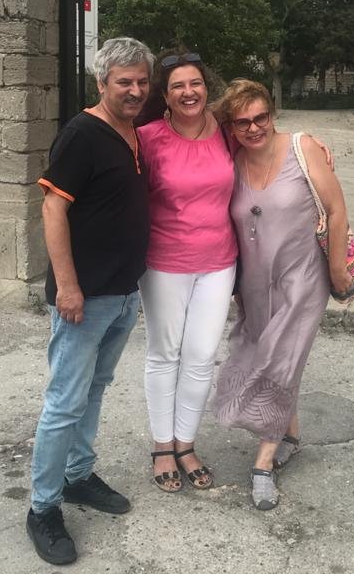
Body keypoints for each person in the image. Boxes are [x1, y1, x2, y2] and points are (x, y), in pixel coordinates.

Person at [27, 37, 154, 566]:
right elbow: (53, 209)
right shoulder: (82, 134)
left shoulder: (133, 130)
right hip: (86, 296)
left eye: (142, 81)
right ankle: (42, 508)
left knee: (95, 390)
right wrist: (68, 286)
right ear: (102, 83)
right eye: (124, 81)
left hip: (123, 292)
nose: (135, 90)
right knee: (64, 402)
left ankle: (77, 476)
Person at [213, 79, 354, 511]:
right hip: (255, 282)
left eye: (262, 117)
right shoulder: (231, 161)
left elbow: (336, 210)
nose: (254, 127)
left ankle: (263, 463)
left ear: (273, 113)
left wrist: (337, 269)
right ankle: (290, 435)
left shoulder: (302, 147)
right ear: (231, 127)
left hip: (303, 278)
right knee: (267, 352)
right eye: (243, 122)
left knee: (281, 357)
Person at [134, 50, 238, 493]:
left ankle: (186, 444)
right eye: (177, 85)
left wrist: (310, 146)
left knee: (201, 355)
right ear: (165, 95)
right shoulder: (146, 137)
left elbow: (266, 140)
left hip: (219, 262)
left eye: (195, 83)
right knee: (165, 354)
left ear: (206, 87)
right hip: (165, 262)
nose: (188, 92)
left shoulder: (226, 132)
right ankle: (163, 446)